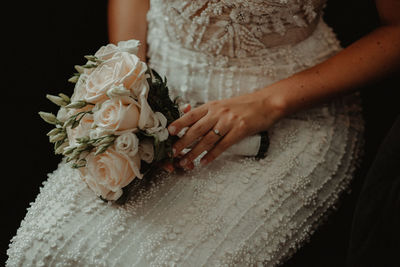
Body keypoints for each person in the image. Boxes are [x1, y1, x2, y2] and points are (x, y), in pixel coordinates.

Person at [6, 0, 400, 266]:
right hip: (156, 88)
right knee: (41, 250)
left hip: (291, 109)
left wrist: (267, 104)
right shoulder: (137, 91)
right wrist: (130, 84)